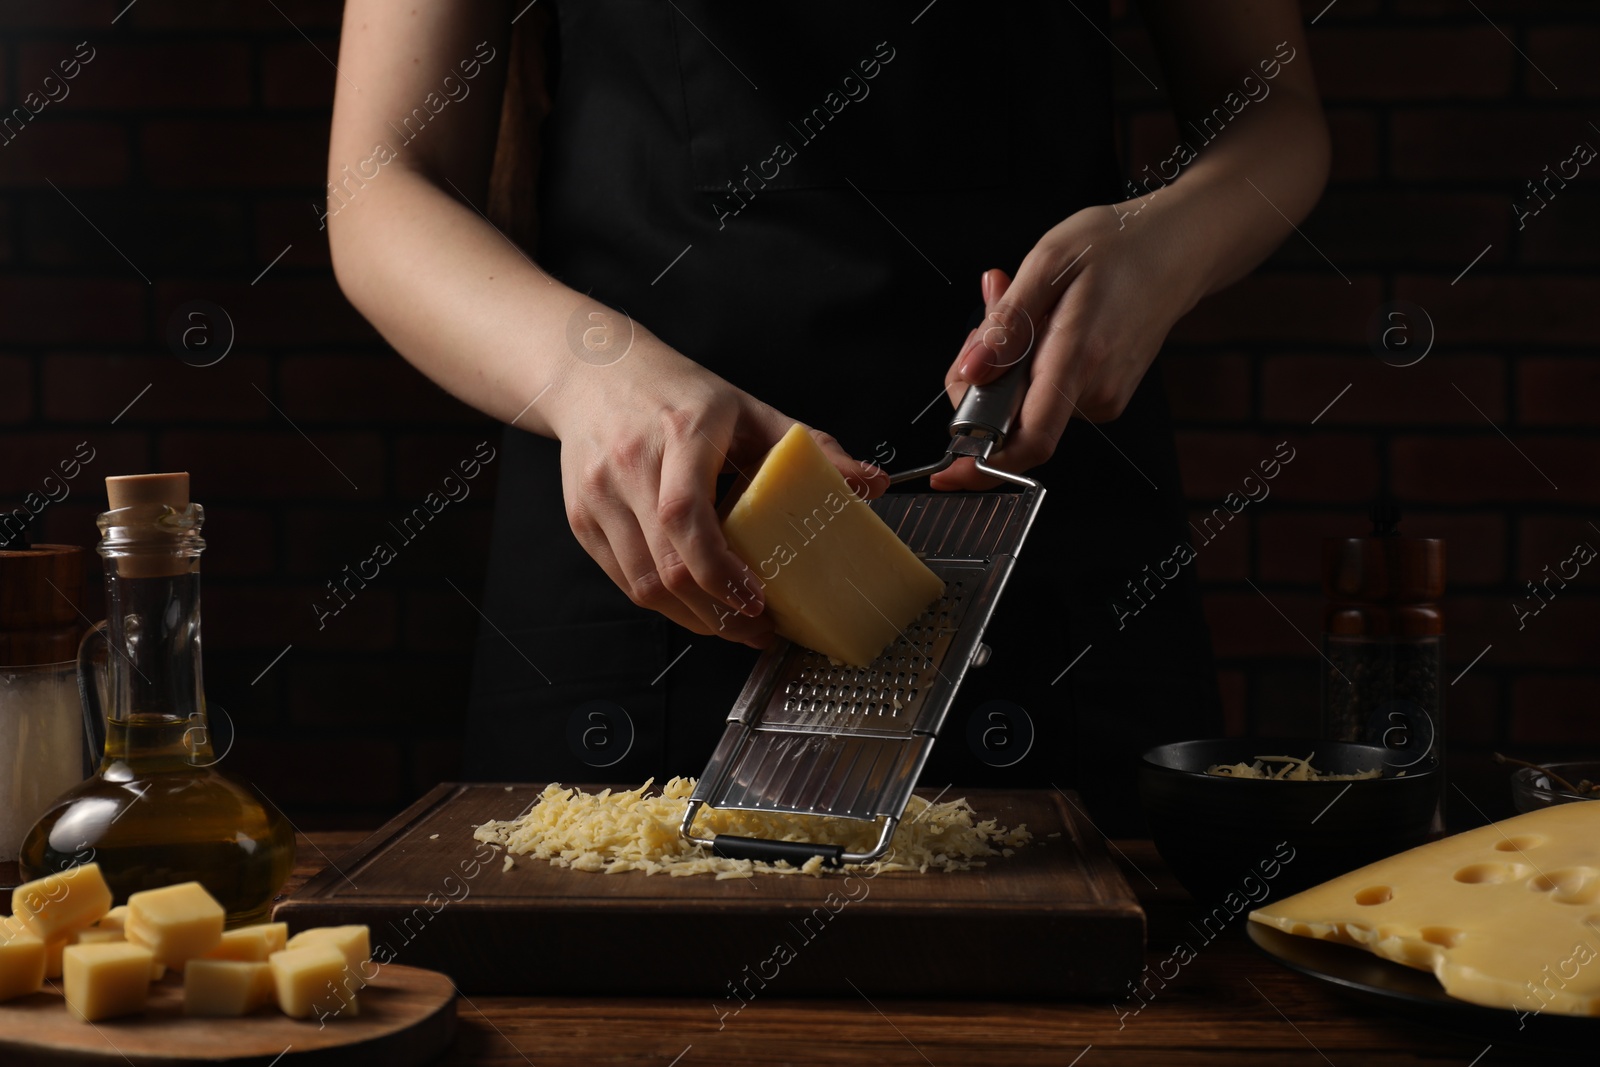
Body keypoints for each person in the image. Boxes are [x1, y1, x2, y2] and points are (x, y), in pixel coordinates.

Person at [328, 1, 1329, 832]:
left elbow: (1275, 113)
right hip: (646, 553)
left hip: (1048, 535)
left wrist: (1162, 243)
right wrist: (591, 376)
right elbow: (381, 189)